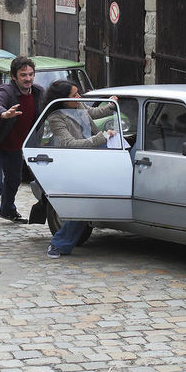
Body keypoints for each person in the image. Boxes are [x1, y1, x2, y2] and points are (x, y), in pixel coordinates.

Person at [40, 80, 118, 258]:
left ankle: (60, 243)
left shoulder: (77, 104)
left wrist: (110, 106)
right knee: (86, 201)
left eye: (78, 93)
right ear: (62, 99)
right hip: (76, 161)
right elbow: (69, 143)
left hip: (95, 154)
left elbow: (90, 112)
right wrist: (101, 137)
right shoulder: (56, 118)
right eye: (74, 95)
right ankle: (59, 244)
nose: (79, 97)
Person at [0, 56, 45, 243]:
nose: (28, 78)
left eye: (30, 74)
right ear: (14, 77)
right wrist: (3, 113)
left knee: (14, 180)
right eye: (23, 75)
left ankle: (7, 210)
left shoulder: (38, 93)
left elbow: (59, 102)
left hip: (14, 147)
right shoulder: (7, 91)